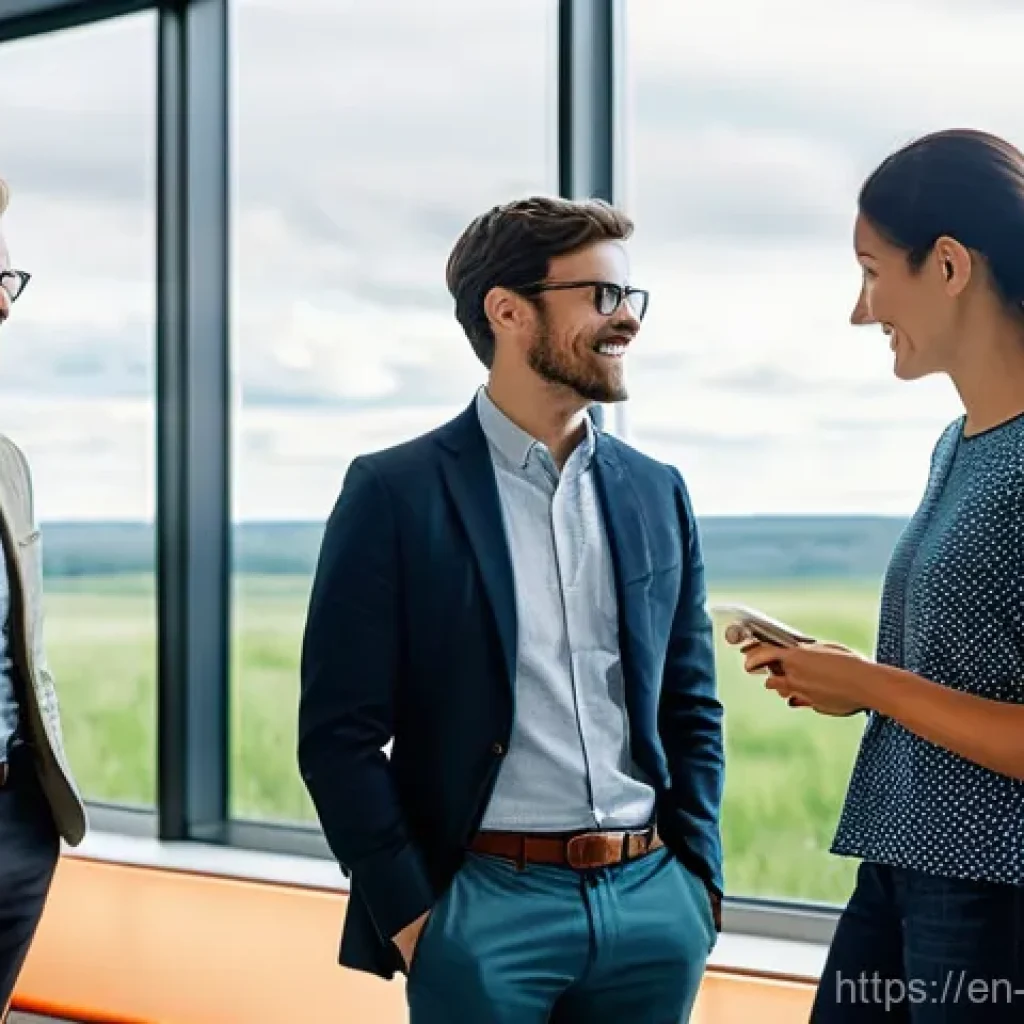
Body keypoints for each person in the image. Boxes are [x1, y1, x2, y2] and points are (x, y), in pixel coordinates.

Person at [299, 196, 724, 1022]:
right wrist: (418, 919)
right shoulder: (394, 493)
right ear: (508, 310)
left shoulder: (656, 491)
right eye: (602, 296)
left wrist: (697, 883)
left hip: (651, 904)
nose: (626, 321)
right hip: (482, 911)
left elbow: (690, 702)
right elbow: (337, 735)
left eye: (630, 299)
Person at [742, 130, 1024, 1022]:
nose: (862, 310)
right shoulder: (958, 444)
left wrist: (872, 683)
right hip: (906, 864)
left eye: (871, 271)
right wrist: (851, 683)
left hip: (996, 888)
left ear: (947, 264)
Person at [0, 177, 87, 1019]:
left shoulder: (8, 462)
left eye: (9, 281)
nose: (5, 309)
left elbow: (23, 646)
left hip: (14, 826)